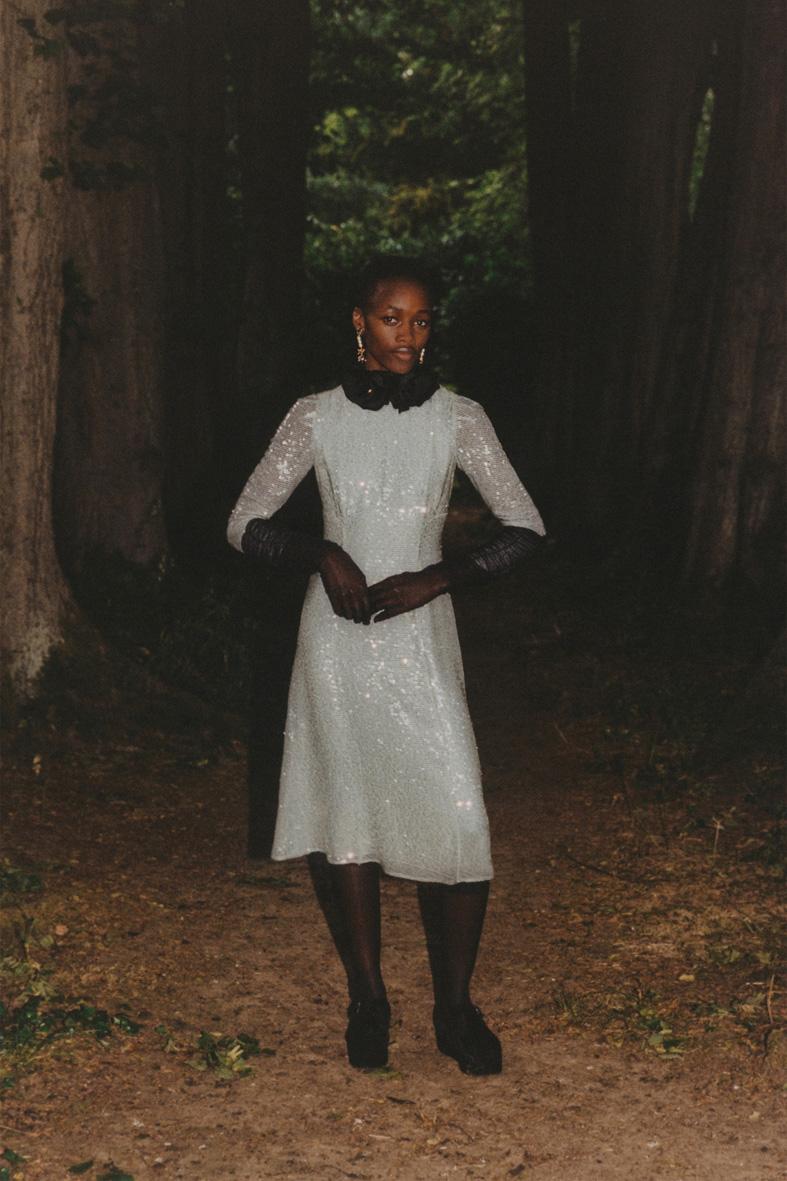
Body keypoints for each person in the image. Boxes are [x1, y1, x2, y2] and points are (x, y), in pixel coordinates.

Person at [227, 257, 545, 1075]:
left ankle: (456, 1007)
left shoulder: (459, 417)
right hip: (336, 639)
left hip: (421, 637)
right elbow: (243, 520)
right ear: (359, 321)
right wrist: (320, 552)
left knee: (459, 813)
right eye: (392, 317)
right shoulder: (313, 416)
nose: (409, 333)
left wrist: (438, 577)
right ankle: (368, 998)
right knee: (351, 813)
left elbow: (524, 527)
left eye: (422, 318)